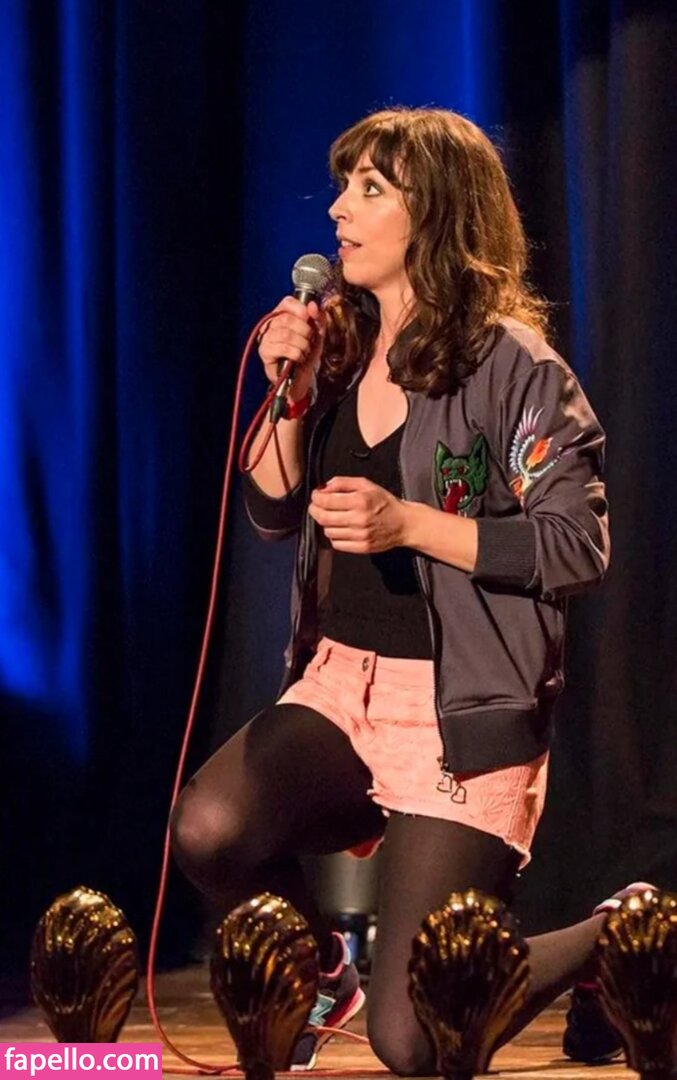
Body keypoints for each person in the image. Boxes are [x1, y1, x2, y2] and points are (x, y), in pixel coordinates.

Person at [170, 107, 636, 1074]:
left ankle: (616, 936)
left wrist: (410, 525)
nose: (338, 210)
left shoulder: (514, 366)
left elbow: (574, 546)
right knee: (210, 830)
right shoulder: (342, 345)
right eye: (343, 186)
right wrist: (293, 394)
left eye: (369, 189)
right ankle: (322, 972)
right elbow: (269, 510)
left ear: (438, 215)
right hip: (342, 688)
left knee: (414, 1041)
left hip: (460, 710)